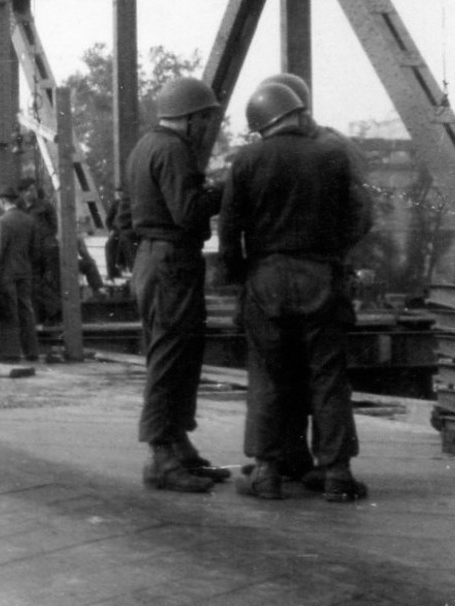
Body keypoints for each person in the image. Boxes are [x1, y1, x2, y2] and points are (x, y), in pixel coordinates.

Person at [220, 81, 371, 502]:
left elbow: (230, 233)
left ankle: (267, 472)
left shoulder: (247, 159)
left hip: (266, 278)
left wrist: (240, 279)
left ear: (261, 124)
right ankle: (337, 472)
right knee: (327, 377)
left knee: (268, 376)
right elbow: (360, 215)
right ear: (297, 113)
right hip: (321, 276)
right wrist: (333, 253)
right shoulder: (332, 154)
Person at [126, 76, 229, 492]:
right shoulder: (173, 150)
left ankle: (177, 445)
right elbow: (187, 212)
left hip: (156, 260)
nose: (210, 126)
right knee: (170, 357)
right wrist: (226, 189)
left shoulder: (147, 146)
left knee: (176, 354)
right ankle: (160, 456)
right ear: (191, 118)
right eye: (207, 118)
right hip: (171, 262)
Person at [0, 186, 38, 363]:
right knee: (27, 310)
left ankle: (11, 353)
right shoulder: (29, 220)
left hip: (7, 274)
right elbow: (34, 249)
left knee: (9, 312)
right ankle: (31, 352)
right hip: (25, 271)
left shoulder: (2, 222)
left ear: (2, 202)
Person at [16, 178, 62, 327]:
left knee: (49, 281)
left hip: (46, 249)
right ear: (23, 193)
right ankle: (50, 313)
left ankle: (55, 314)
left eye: (34, 189)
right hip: (30, 250)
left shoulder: (44, 206)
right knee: (35, 284)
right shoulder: (19, 208)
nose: (33, 192)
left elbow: (54, 227)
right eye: (29, 190)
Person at [105, 185, 132, 281]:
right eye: (117, 193)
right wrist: (111, 230)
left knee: (124, 243)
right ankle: (111, 272)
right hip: (117, 230)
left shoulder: (130, 203)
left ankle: (125, 267)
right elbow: (108, 220)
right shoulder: (115, 204)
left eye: (121, 193)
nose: (119, 195)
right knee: (109, 245)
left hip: (128, 229)